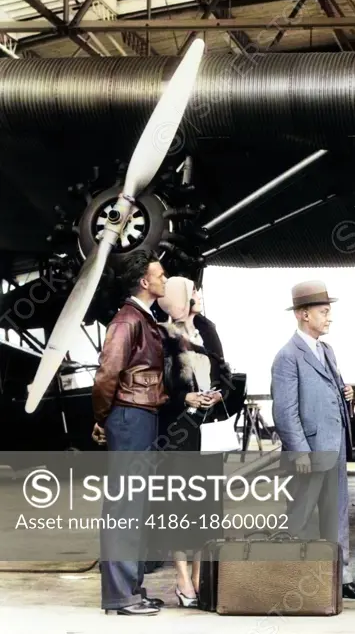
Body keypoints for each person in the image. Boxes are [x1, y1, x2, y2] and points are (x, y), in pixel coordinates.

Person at [270, 280, 355, 600]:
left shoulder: (326, 350)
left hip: (334, 448)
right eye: (324, 312)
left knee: (336, 514)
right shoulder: (288, 356)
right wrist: (301, 453)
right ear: (303, 315)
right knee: (300, 517)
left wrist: (347, 396)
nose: (329, 318)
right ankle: (293, 578)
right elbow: (285, 412)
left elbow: (330, 391)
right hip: (309, 452)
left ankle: (340, 579)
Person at [91, 249, 169, 616]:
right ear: (144, 281)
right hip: (130, 416)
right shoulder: (127, 321)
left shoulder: (143, 318)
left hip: (141, 415)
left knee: (136, 507)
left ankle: (132, 589)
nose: (164, 280)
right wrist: (103, 417)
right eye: (161, 275)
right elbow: (107, 373)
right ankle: (121, 596)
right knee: (125, 507)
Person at [154, 277, 230, 608]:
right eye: (190, 292)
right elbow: (156, 387)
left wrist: (217, 394)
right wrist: (186, 397)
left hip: (208, 430)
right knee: (180, 508)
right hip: (178, 432)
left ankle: (199, 576)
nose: (195, 295)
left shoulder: (207, 329)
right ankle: (182, 577)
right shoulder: (160, 335)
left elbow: (225, 372)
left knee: (207, 509)